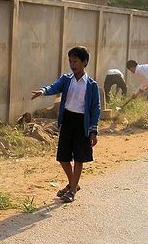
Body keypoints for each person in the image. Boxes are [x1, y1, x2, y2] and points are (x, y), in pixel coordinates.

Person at [31, 46, 100, 203]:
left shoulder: (91, 85)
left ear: (85, 62)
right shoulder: (66, 79)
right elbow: (53, 87)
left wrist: (93, 131)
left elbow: (95, 108)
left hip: (82, 123)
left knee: (79, 158)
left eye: (75, 61)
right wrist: (43, 91)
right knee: (63, 157)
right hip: (67, 120)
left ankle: (72, 190)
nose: (72, 64)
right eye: (70, 61)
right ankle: (73, 185)